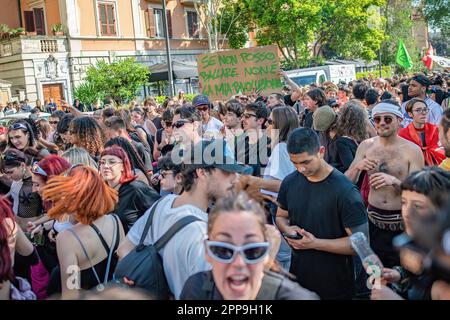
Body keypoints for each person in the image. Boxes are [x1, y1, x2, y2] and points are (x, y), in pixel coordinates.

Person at [117, 139, 247, 299]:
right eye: (227, 171)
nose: (235, 178)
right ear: (202, 172)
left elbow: (123, 250)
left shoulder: (164, 203)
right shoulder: (203, 233)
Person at [275, 128, 368, 299]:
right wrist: (286, 229)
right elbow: (281, 216)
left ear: (321, 152)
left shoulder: (345, 191)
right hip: (299, 282)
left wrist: (314, 243)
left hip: (335, 285)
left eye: (306, 162)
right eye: (294, 163)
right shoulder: (289, 182)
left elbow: (360, 244)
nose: (300, 169)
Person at [180, 191, 319, 300]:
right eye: (223, 250)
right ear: (207, 251)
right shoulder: (195, 289)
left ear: (266, 254)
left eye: (252, 250)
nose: (238, 263)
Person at [345, 101, 425, 268]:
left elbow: (419, 192)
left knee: (405, 274)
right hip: (374, 223)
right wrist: (358, 167)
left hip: (403, 225)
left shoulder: (412, 150)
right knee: (376, 273)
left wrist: (395, 181)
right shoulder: (366, 146)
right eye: (377, 119)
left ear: (399, 120)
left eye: (387, 119)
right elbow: (347, 181)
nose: (381, 123)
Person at [42, 165, 125, 299]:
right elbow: (122, 268)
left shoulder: (68, 238)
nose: (62, 199)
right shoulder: (114, 220)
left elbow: (71, 294)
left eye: (66, 192)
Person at [371, 167, 450, 300]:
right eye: (403, 203)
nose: (407, 213)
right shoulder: (421, 244)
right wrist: (399, 275)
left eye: (418, 206)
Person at [99, 146, 160, 233]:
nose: (105, 166)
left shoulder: (135, 188)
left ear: (123, 166)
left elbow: (161, 210)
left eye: (111, 162)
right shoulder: (101, 192)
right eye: (102, 162)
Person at [1, 149, 44, 231]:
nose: (8, 177)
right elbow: (14, 192)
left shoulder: (37, 181)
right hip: (16, 229)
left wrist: (42, 225)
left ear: (22, 165)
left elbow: (53, 210)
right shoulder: (17, 179)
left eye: (11, 172)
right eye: (6, 173)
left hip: (32, 231)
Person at [399, 98, 445, 166]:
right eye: (418, 110)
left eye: (425, 109)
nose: (423, 113)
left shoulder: (436, 130)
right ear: (410, 114)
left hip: (437, 169)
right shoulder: (403, 134)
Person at [240, 102, 271, 176]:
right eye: (243, 116)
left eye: (247, 116)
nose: (242, 119)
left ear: (260, 120)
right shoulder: (241, 141)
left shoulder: (268, 145)